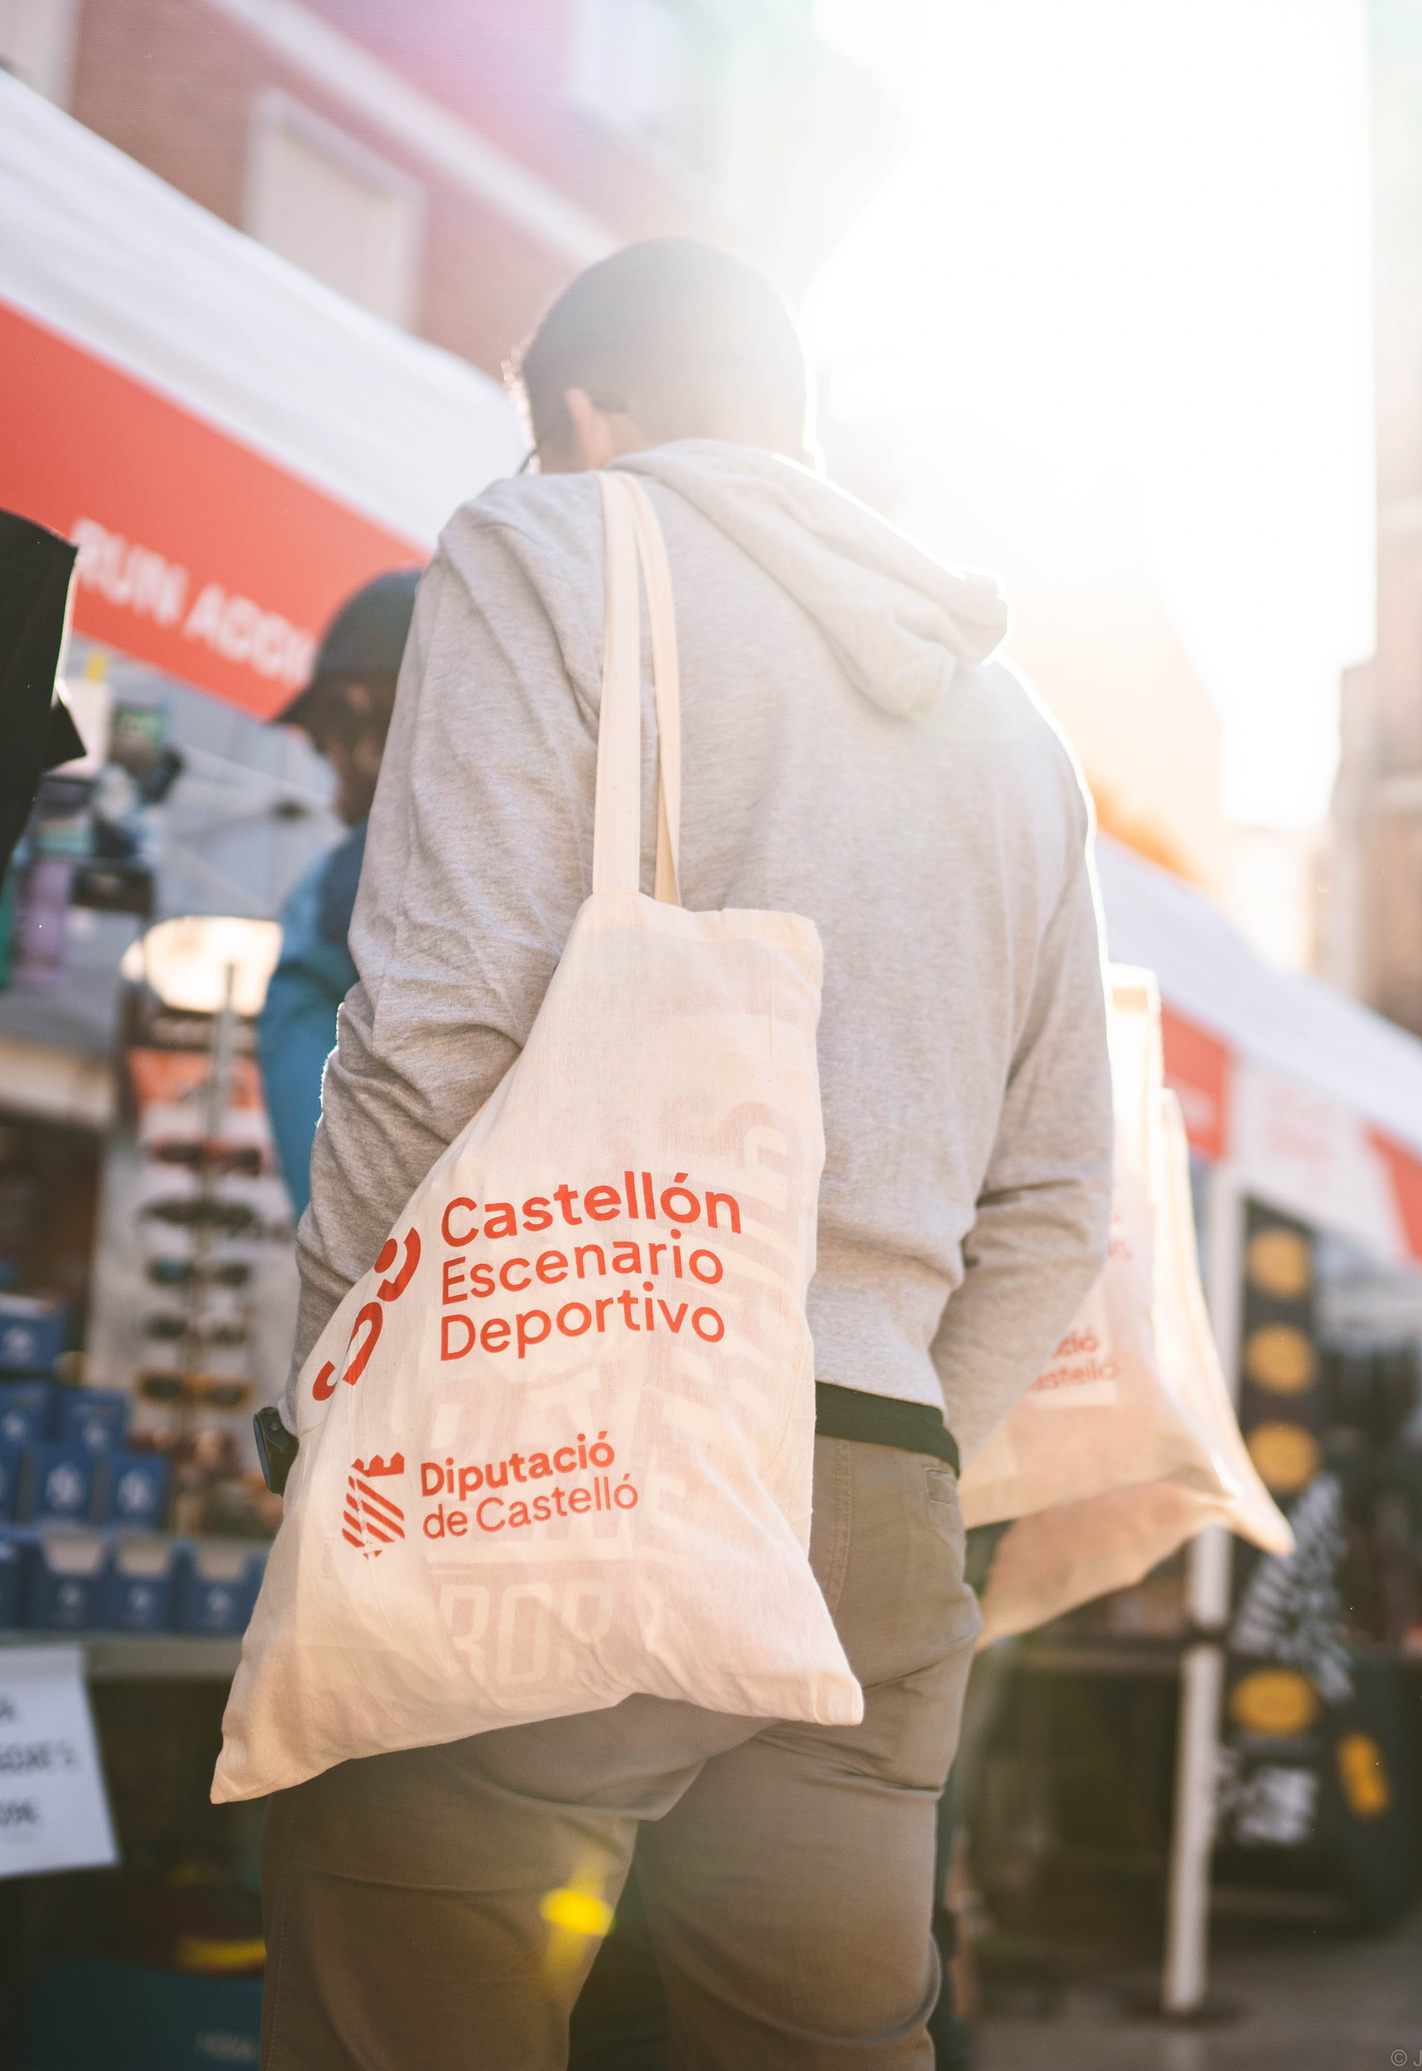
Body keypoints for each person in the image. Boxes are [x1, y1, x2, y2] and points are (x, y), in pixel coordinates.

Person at [261, 237, 1112, 2070]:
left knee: (412, 2010)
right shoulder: (1018, 728)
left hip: (559, 1444)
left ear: (587, 412)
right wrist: (884, 1431)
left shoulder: (552, 542)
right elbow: (1059, 1203)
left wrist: (339, 1393)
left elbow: (432, 1033)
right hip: (882, 1504)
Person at [257, 572, 419, 1216]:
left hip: (392, 1249)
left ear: (357, 711)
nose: (331, 797)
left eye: (325, 749)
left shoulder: (342, 889)